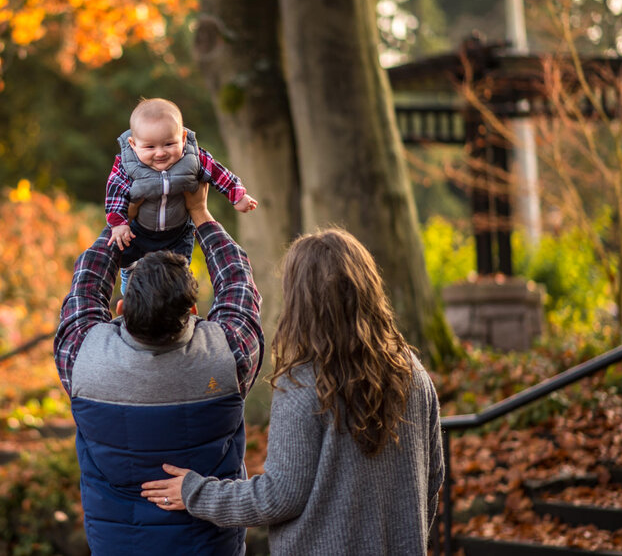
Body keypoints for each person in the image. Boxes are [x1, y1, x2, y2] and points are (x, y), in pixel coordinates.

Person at [141, 228, 444, 555]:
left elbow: (278, 498)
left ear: (302, 301)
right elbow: (432, 481)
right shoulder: (412, 371)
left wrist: (194, 492)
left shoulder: (304, 383)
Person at [55, 183, 263, 556]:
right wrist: (201, 214)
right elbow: (237, 283)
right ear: (194, 313)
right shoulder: (228, 356)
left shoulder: (83, 359)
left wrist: (123, 220)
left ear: (120, 310)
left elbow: (85, 287)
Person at [105, 97, 258, 293]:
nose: (160, 153)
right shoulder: (127, 165)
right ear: (133, 144)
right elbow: (115, 192)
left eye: (169, 144)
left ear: (183, 138)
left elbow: (218, 173)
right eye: (150, 147)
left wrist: (237, 195)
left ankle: (180, 306)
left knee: (178, 274)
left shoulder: (193, 158)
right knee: (130, 264)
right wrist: (118, 223)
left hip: (177, 231)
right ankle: (130, 296)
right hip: (139, 231)